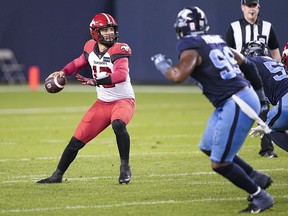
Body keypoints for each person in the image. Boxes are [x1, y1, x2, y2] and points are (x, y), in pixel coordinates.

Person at [151, 6, 274, 213]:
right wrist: (261, 98)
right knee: (208, 146)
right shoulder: (216, 40)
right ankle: (254, 175)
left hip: (236, 101)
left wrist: (162, 64)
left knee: (220, 163)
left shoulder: (190, 45)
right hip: (234, 99)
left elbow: (177, 76)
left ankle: (260, 196)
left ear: (180, 29)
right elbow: (249, 66)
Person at [37, 13, 136, 184]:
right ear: (95, 32)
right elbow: (78, 63)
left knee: (118, 124)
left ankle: (125, 167)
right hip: (102, 104)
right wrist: (63, 72)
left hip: (123, 101)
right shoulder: (90, 47)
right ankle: (57, 175)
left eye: (112, 29)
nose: (110, 33)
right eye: (105, 29)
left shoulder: (120, 49)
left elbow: (120, 75)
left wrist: (96, 81)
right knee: (76, 141)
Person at [226, 0, 281, 158]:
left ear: (258, 7)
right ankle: (229, 148)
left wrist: (276, 72)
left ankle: (267, 149)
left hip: (263, 76)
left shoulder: (267, 27)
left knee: (265, 110)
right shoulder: (234, 28)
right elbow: (227, 53)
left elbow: (275, 52)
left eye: (254, 5)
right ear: (242, 7)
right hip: (241, 76)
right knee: (236, 111)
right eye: (248, 5)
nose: (252, 9)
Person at [234, 41, 288, 151]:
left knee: (270, 128)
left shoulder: (251, 62)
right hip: (284, 98)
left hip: (286, 101)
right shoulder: (274, 62)